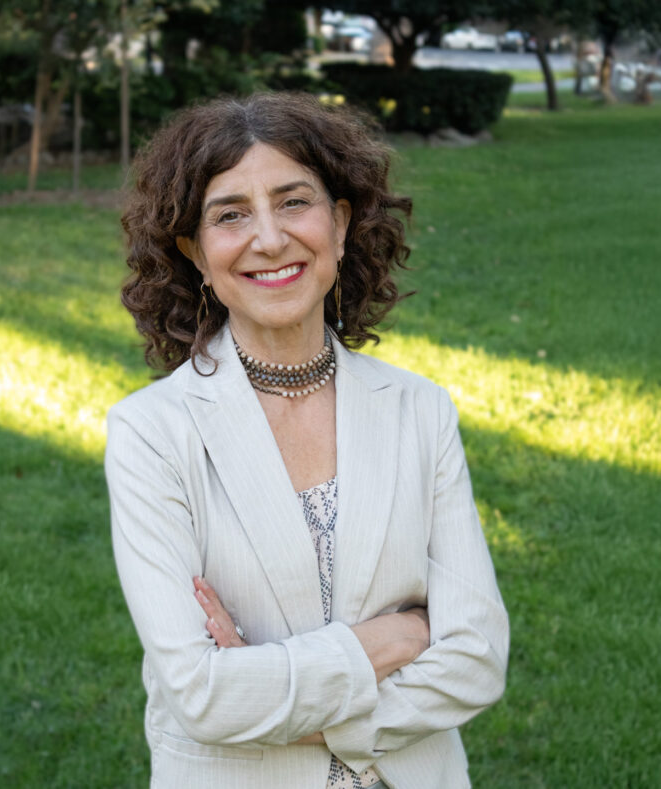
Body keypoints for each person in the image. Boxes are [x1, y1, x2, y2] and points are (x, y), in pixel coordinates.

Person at [106, 92, 509, 789]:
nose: (268, 238)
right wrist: (393, 638)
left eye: (294, 202)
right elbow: (201, 693)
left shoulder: (420, 410)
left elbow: (476, 659)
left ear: (341, 223)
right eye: (230, 214)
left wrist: (287, 696)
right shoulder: (150, 433)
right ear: (196, 254)